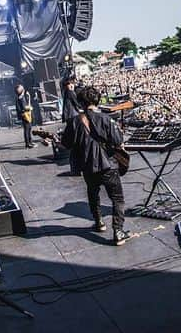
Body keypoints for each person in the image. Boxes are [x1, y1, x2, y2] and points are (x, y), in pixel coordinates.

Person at [61, 85, 131, 245]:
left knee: (93, 194)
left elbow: (65, 144)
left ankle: (99, 222)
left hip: (87, 166)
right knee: (117, 199)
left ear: (80, 103)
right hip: (108, 165)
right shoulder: (106, 119)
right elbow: (118, 141)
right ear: (97, 100)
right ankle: (118, 231)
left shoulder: (74, 122)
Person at [15, 84, 34, 148]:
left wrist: (29, 97)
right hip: (24, 115)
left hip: (26, 114)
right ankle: (28, 143)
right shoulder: (20, 98)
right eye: (21, 87)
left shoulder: (22, 96)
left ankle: (30, 142)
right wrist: (29, 108)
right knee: (27, 129)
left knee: (29, 128)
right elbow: (24, 107)